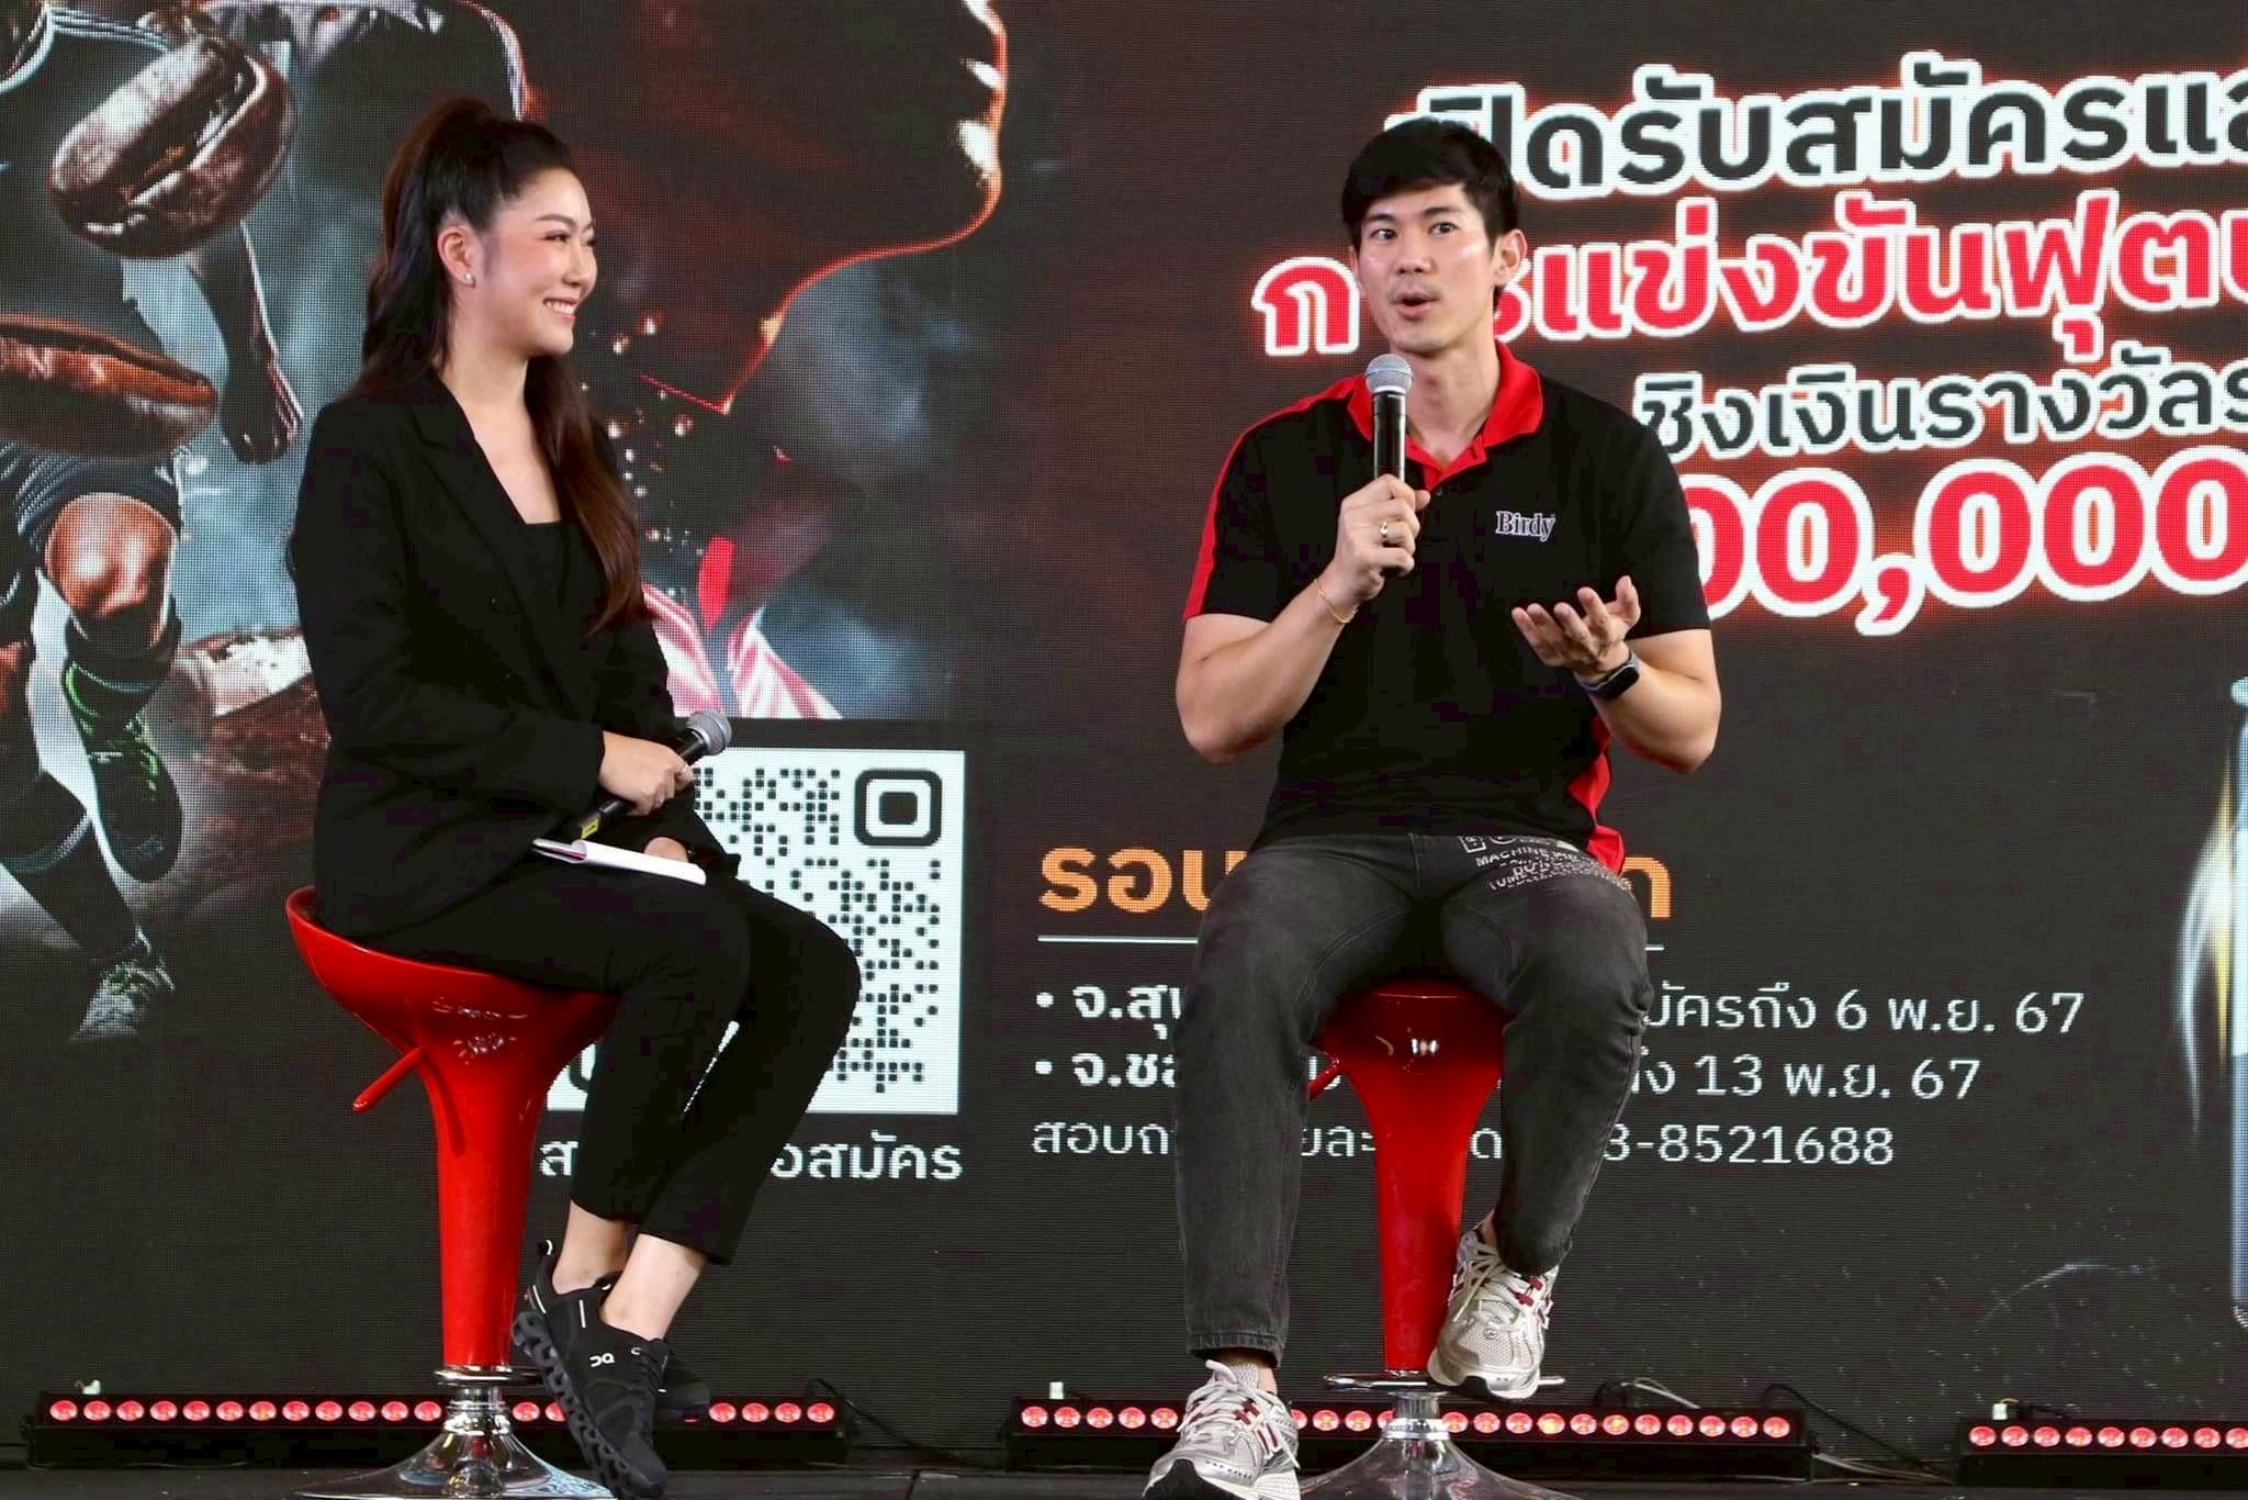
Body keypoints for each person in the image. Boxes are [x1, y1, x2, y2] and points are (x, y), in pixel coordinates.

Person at [289, 100, 861, 1500]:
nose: (583, 270)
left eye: (590, 242)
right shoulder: (371, 446)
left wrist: (662, 823)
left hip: (565, 851)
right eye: (554, 239)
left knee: (811, 967)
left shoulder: (572, 438)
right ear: (460, 251)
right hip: (418, 858)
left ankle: (624, 1326)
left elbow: (631, 688)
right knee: (694, 944)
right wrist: (593, 768)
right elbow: (377, 704)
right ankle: (579, 1285)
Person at [1148, 119, 1721, 1500]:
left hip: (1521, 846)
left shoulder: (1600, 455)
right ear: (1355, 265)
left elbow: (1690, 727)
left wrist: (1611, 670)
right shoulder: (1289, 458)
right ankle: (1240, 1388)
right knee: (1242, 957)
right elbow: (1215, 717)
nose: (1410, 261)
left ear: (1508, 257)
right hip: (1332, 840)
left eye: (1441, 230)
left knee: (1597, 947)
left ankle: (1515, 1264)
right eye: (1381, 236)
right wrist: (1334, 585)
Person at [0, 0, 298, 1041]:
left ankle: (108, 712)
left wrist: (251, 360)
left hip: (79, 385)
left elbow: (208, 217)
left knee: (120, 588)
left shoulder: (114, 63)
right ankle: (125, 962)